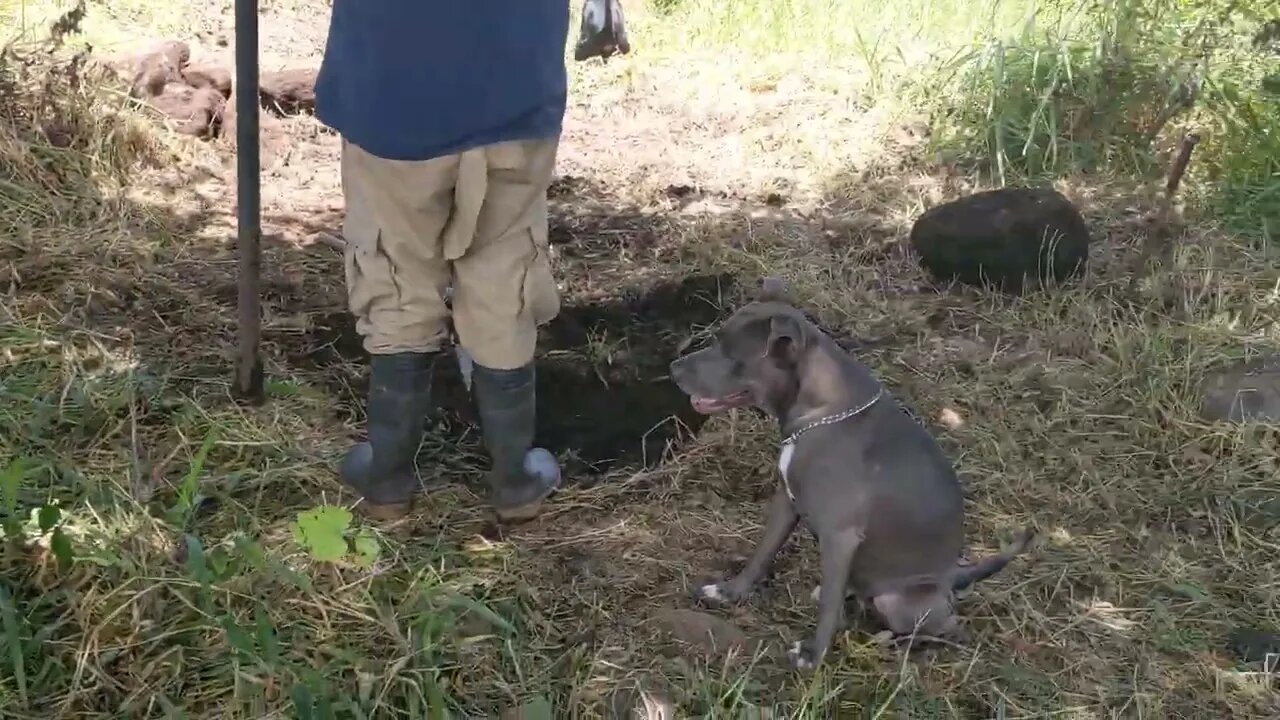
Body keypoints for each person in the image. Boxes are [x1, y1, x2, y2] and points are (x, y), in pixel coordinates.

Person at [314, 1, 577, 523]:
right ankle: (514, 478)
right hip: (515, 89)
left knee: (395, 271)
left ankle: (388, 479)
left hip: (391, 90)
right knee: (505, 270)